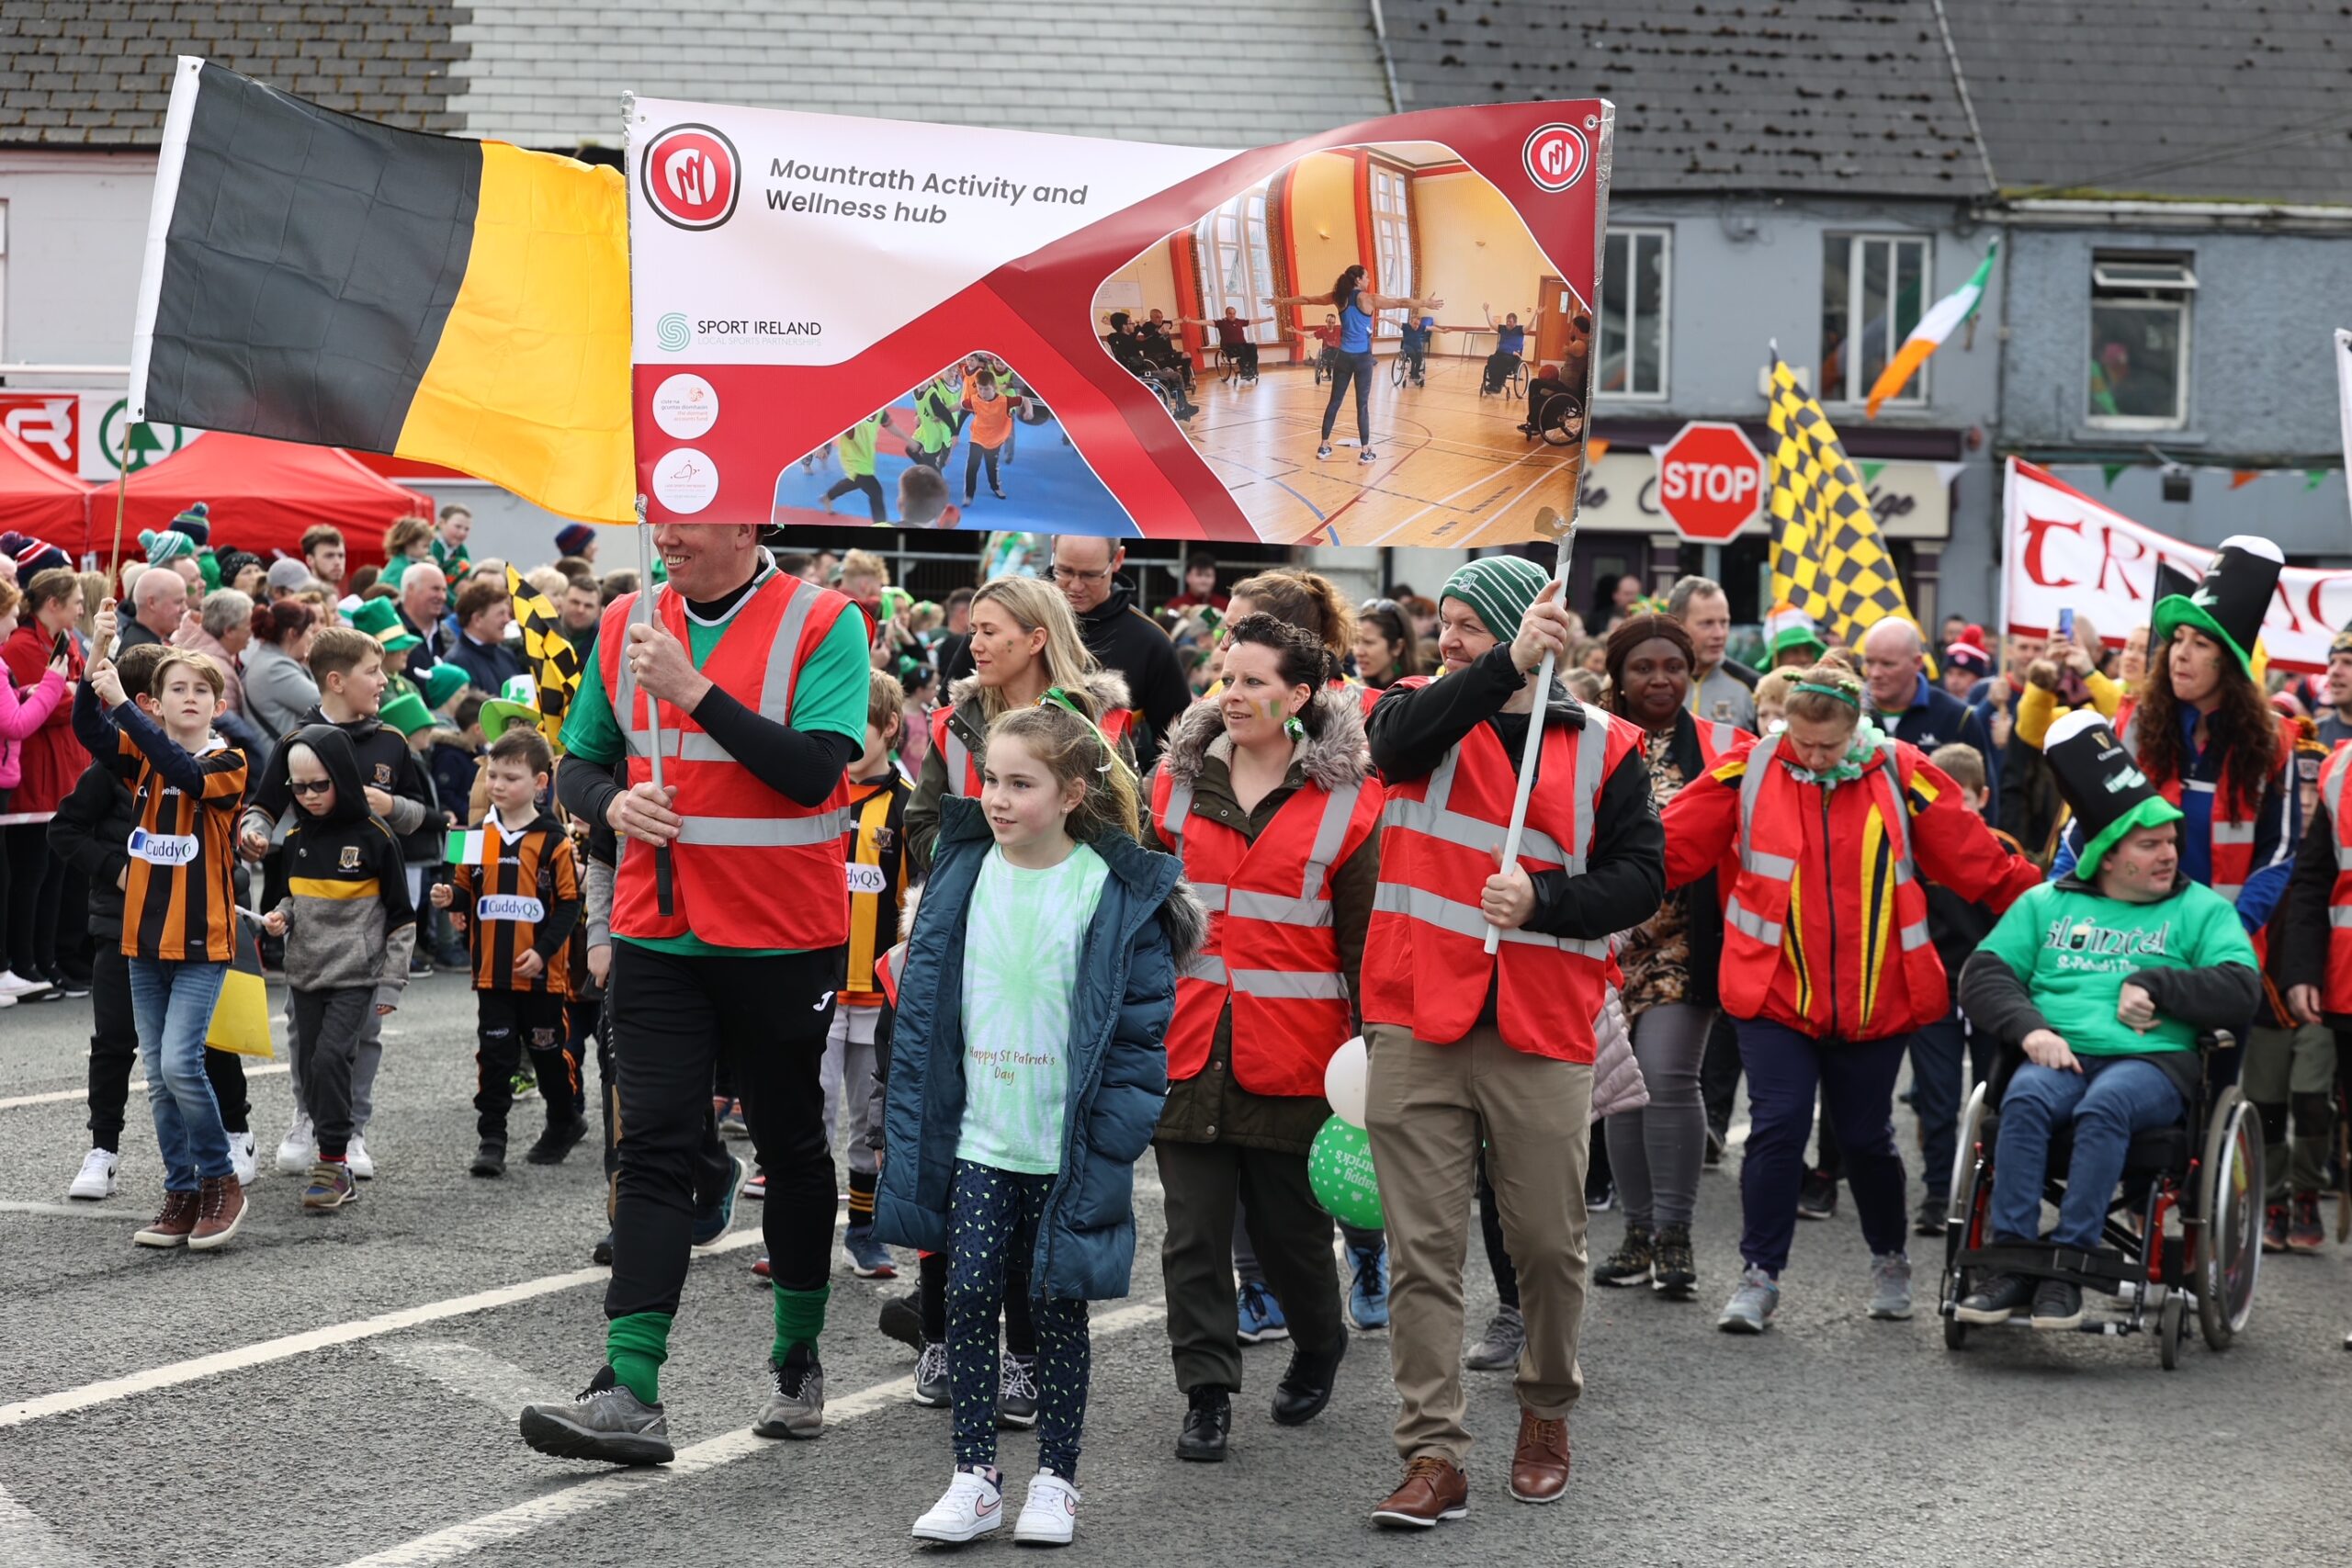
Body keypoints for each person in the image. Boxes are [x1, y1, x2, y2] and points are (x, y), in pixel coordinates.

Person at [517, 524, 867, 1464]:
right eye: (659, 515)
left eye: (692, 516)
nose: (667, 533)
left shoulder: (822, 619)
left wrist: (693, 690)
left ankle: (797, 1357)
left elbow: (812, 772)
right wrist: (609, 806)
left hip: (781, 937)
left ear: (747, 522)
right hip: (657, 932)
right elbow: (578, 765)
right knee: (655, 1146)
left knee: (791, 1148)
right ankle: (628, 1387)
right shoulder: (627, 617)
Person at [1359, 556, 1663, 1527]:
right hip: (1416, 1014)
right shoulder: (1415, 704)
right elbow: (1395, 749)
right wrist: (1493, 672)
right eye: (1443, 622)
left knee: (1543, 1244)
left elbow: (1640, 882)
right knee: (1423, 1251)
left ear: (1524, 627)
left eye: (1468, 626)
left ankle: (1544, 1411)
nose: (1446, 639)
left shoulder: (1607, 745)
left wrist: (1544, 900)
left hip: (1538, 1021)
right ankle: (1432, 1451)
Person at [884, 703, 1197, 1547]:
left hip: (1063, 1145)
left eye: (1020, 783)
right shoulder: (964, 869)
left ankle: (1056, 1478)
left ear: (1072, 793)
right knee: (971, 1291)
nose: (996, 797)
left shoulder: (1110, 889)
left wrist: (1113, 1137)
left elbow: (1137, 1036)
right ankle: (974, 1475)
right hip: (982, 1135)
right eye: (990, 779)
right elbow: (927, 1009)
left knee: (1056, 1306)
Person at [1660, 663, 2040, 1334]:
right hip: (1773, 991)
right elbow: (1666, 847)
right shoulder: (1748, 769)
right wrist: (1583, 883)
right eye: (1800, 741)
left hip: (1876, 1000)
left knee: (1866, 1139)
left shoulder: (1902, 771)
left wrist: (2048, 905)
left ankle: (1890, 1258)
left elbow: (1977, 861)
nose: (1811, 757)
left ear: (1856, 728)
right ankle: (1759, 1277)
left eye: (1827, 746)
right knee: (1776, 1129)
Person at [1145, 614, 1383, 1462]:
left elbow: (1364, 940)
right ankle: (1206, 1392)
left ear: (1300, 695)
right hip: (1185, 1042)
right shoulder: (1169, 787)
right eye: (1225, 678)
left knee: (1290, 1236)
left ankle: (1320, 1341)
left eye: (1253, 681)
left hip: (1297, 1054)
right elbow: (1141, 922)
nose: (1233, 694)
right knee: (1193, 1236)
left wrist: (1378, 1046)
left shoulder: (1353, 800)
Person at [1953, 710, 2261, 1326]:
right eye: (2150, 844)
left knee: (2106, 1105)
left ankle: (2071, 1263)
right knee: (2027, 1097)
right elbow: (1982, 973)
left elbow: (2240, 986)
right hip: (2058, 1052)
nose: (2169, 853)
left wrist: (2156, 982)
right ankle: (2011, 1263)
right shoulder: (2046, 903)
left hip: (2150, 1063)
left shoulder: (2199, 911)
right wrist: (2031, 1028)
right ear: (2108, 854)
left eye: (2171, 841)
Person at [74, 615, 252, 1250]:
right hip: (142, 940)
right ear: (157, 698)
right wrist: (96, 654)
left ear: (219, 703)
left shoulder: (228, 760)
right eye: (176, 688)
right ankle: (179, 1191)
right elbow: (88, 727)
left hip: (202, 939)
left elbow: (185, 772)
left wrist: (128, 712)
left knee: (182, 1062)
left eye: (201, 690)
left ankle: (220, 1180)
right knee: (157, 1070)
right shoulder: (138, 755)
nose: (190, 698)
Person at [239, 626, 434, 1179]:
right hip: (311, 908)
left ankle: (351, 1132)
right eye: (373, 671)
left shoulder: (391, 741)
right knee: (304, 1031)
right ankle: (308, 1115)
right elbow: (265, 805)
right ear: (335, 680)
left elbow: (426, 815)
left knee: (361, 1031)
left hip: (365, 908)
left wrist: (389, 803)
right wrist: (254, 831)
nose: (383, 680)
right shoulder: (296, 740)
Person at [1589, 614, 1745, 1302]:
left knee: (1665, 1075)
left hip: (1688, 936)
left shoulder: (1724, 745)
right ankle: (1639, 1232)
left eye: (1673, 667)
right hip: (1603, 938)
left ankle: (1676, 1237)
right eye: (1643, 668)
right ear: (1617, 677)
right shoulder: (1587, 738)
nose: (1660, 679)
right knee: (1621, 1090)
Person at [2052, 540, 2296, 928]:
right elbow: (2085, 827)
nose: (2180, 653)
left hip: (2223, 950)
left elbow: (2278, 853)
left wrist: (2230, 933)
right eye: (2178, 638)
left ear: (2229, 664)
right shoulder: (2132, 723)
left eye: (2200, 644)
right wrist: (2052, 905)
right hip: (2127, 939)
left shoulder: (2274, 741)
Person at [259, 725, 416, 1212]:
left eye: (318, 785)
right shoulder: (296, 836)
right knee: (309, 1068)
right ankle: (330, 1153)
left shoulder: (375, 836)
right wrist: (282, 915)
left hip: (355, 975)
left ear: (343, 777)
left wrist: (391, 981)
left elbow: (401, 916)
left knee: (331, 1059)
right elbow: (292, 895)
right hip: (304, 972)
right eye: (297, 788)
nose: (308, 797)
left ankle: (335, 1162)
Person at [430, 726, 584, 1177]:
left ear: (540, 783)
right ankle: (491, 1138)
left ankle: (564, 1120)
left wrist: (543, 951)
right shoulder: (473, 834)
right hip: (490, 974)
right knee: (494, 1057)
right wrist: (449, 899)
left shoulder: (554, 839)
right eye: (493, 775)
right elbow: (463, 890)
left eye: (510, 777)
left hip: (541, 976)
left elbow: (570, 904)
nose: (498, 785)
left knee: (548, 1054)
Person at [824, 668, 913, 1279]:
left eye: (859, 722)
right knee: (808, 1109)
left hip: (877, 995)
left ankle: (863, 1228)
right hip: (818, 986)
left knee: (869, 1118)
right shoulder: (813, 789)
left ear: (889, 728)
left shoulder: (907, 804)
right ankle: (792, 1231)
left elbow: (917, 902)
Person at [3, 568, 89, 1001]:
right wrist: (66, 690)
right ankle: (27, 960)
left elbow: (75, 697)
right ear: (52, 603)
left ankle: (47, 959)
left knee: (54, 874)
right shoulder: (22, 645)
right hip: (35, 775)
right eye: (75, 600)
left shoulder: (66, 641)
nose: (81, 609)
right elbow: (45, 707)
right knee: (31, 875)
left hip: (62, 770)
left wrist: (66, 691)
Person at [1045, 536, 1189, 768]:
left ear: (1118, 559)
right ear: (1053, 547)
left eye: (1091, 575)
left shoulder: (1150, 642)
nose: (1075, 586)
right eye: (1064, 571)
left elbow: (1182, 744)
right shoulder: (1015, 619)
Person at [1272, 267, 1442, 465]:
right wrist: (1425, 303)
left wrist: (1283, 301)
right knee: (1362, 406)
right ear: (1359, 280)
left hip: (1343, 358)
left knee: (1334, 402)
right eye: (1367, 277)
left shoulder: (1338, 297)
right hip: (1362, 359)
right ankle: (1365, 451)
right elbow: (1401, 302)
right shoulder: (1369, 299)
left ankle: (1324, 446)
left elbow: (1308, 299)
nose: (1369, 280)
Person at [1860, 618, 1999, 823]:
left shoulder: (1958, 718)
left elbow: (1985, 800)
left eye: (1887, 664)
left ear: (1917, 663)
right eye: (1869, 662)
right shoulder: (1849, 714)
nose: (1875, 673)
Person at [1667, 575, 1757, 731]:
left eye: (1724, 622)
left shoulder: (1753, 687)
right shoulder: (1653, 683)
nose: (1719, 634)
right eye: (1707, 624)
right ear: (1677, 625)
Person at [242, 600, 321, 746]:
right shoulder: (275, 668)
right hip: (283, 763)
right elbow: (327, 704)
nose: (311, 637)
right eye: (309, 630)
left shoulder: (268, 658)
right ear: (293, 633)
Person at [449, 577, 526, 694]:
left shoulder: (506, 656)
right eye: (501, 614)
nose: (507, 620)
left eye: (508, 613)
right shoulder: (457, 664)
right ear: (477, 619)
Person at [820, 410, 895, 523]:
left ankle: (828, 496)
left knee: (855, 481)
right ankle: (880, 525)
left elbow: (889, 424)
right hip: (852, 457)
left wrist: (908, 440)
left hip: (865, 457)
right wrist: (821, 447)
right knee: (876, 491)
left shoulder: (879, 411)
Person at [397, 563, 457, 679]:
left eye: (444, 590)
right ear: (410, 588)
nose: (442, 597)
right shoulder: (392, 632)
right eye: (435, 589)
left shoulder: (447, 635)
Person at [1354, 597, 1420, 693]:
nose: (1358, 652)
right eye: (1355, 641)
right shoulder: (1350, 689)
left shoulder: (1414, 694)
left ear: (1397, 647)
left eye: (1368, 642)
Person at [118, 565, 185, 653]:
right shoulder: (142, 653)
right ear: (152, 603)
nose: (184, 609)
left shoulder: (147, 643)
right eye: (178, 602)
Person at [1481, 304, 1532, 393]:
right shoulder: (1503, 328)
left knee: (1503, 361)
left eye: (1510, 321)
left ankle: (1498, 385)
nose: (1508, 323)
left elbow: (1530, 326)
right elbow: (1492, 324)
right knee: (1491, 359)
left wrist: (1535, 315)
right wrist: (1487, 311)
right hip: (1500, 353)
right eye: (1507, 321)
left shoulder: (1520, 330)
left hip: (1512, 357)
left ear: (1515, 322)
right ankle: (1493, 384)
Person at [1164, 551, 1227, 615]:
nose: (1203, 580)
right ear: (1188, 577)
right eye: (1199, 575)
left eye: (1208, 575)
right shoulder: (1175, 605)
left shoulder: (1225, 605)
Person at [300, 525, 347, 592]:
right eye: (329, 556)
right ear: (310, 560)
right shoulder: (302, 598)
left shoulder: (338, 594)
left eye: (341, 556)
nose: (337, 562)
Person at [1399, 314, 1433, 386]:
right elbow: (1395, 322)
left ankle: (1416, 373)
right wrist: (1385, 318)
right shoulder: (1406, 326)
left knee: (1420, 357)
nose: (1416, 326)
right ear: (1410, 322)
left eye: (1418, 324)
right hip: (1407, 346)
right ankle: (1412, 373)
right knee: (1413, 355)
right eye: (1415, 323)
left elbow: (1431, 328)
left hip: (1417, 347)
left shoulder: (1421, 327)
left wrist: (1443, 331)